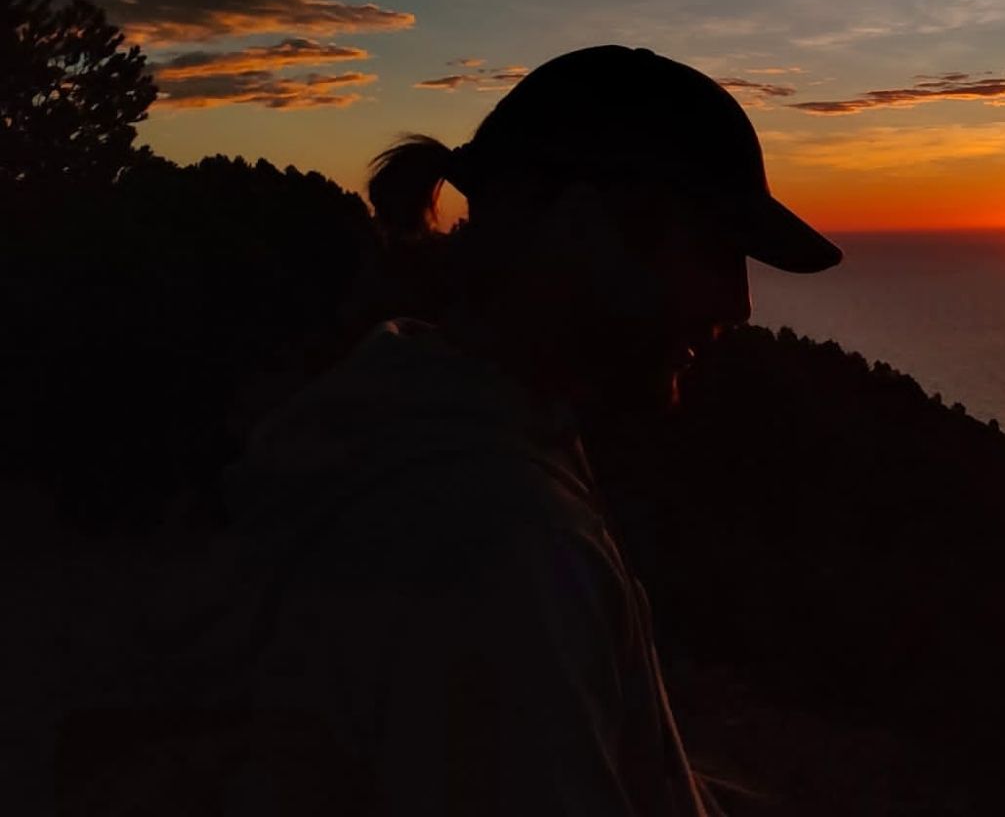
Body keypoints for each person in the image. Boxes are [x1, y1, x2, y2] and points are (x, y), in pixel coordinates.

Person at [68, 46, 841, 816]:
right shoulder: (496, 541)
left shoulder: (420, 407)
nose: (738, 302)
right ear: (579, 229)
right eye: (712, 248)